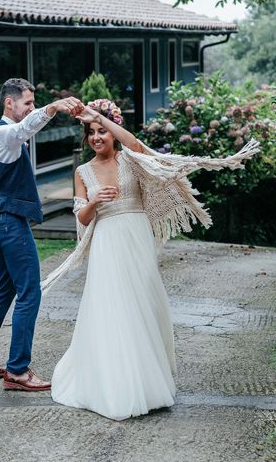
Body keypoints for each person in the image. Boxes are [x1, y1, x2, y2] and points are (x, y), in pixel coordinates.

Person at [44, 99, 260, 419]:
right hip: (107, 241)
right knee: (113, 307)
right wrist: (94, 201)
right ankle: (116, 384)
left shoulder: (130, 160)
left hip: (136, 236)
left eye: (102, 130)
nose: (97, 137)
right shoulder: (82, 171)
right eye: (91, 132)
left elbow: (134, 142)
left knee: (142, 303)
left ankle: (149, 381)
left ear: (112, 132)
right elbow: (83, 219)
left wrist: (97, 115)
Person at [0, 78, 83, 392]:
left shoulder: (1, 138)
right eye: (27, 103)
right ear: (9, 104)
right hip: (8, 223)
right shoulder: (4, 133)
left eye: (34, 103)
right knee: (29, 291)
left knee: (6, 287)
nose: (31, 108)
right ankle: (17, 370)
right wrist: (53, 107)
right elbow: (24, 129)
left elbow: (24, 131)